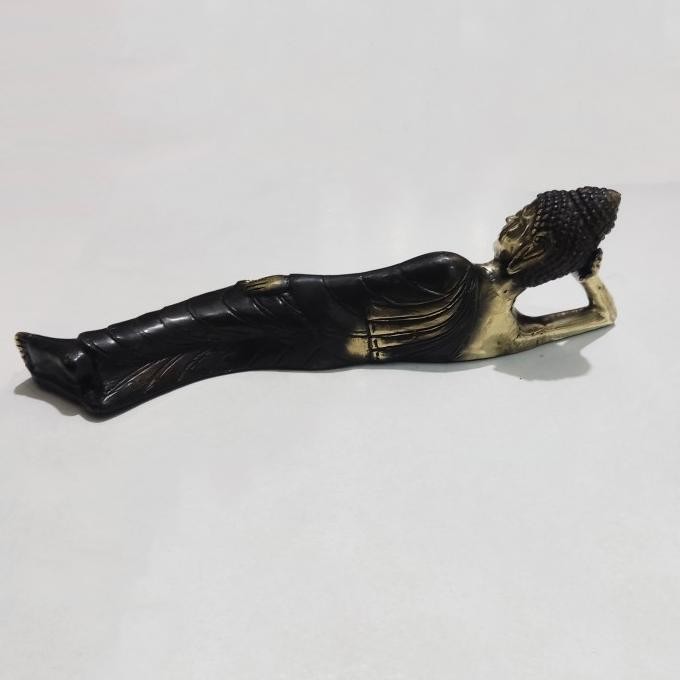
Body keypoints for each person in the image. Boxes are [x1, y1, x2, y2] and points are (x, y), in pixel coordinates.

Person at [16, 186, 620, 415]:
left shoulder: (452, 270)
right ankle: (108, 386)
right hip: (337, 356)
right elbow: (602, 316)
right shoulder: (508, 334)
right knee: (221, 356)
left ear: (536, 242)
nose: (510, 218)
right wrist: (588, 274)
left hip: (320, 313)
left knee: (209, 317)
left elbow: (355, 286)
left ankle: (87, 355)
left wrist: (284, 284)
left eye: (523, 219)